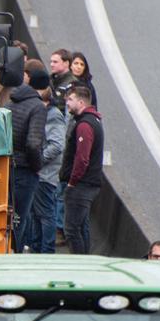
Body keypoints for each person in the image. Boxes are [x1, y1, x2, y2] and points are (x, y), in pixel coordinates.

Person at [5, 61, 46, 252]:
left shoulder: (11, 102)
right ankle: (17, 254)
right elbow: (33, 143)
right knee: (20, 217)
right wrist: (37, 167)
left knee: (7, 215)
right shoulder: (37, 107)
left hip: (6, 166)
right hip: (24, 170)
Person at [61, 82, 104, 254]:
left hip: (82, 185)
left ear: (81, 103)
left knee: (72, 229)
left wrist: (72, 181)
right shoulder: (93, 120)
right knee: (82, 226)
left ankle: (80, 262)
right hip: (88, 184)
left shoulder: (85, 125)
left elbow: (82, 158)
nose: (67, 103)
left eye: (70, 99)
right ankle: (87, 261)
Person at [29, 75, 68, 255]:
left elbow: (57, 145)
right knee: (37, 215)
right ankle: (37, 249)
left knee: (45, 215)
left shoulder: (53, 115)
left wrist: (38, 160)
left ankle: (46, 251)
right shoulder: (43, 113)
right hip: (40, 173)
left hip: (45, 174)